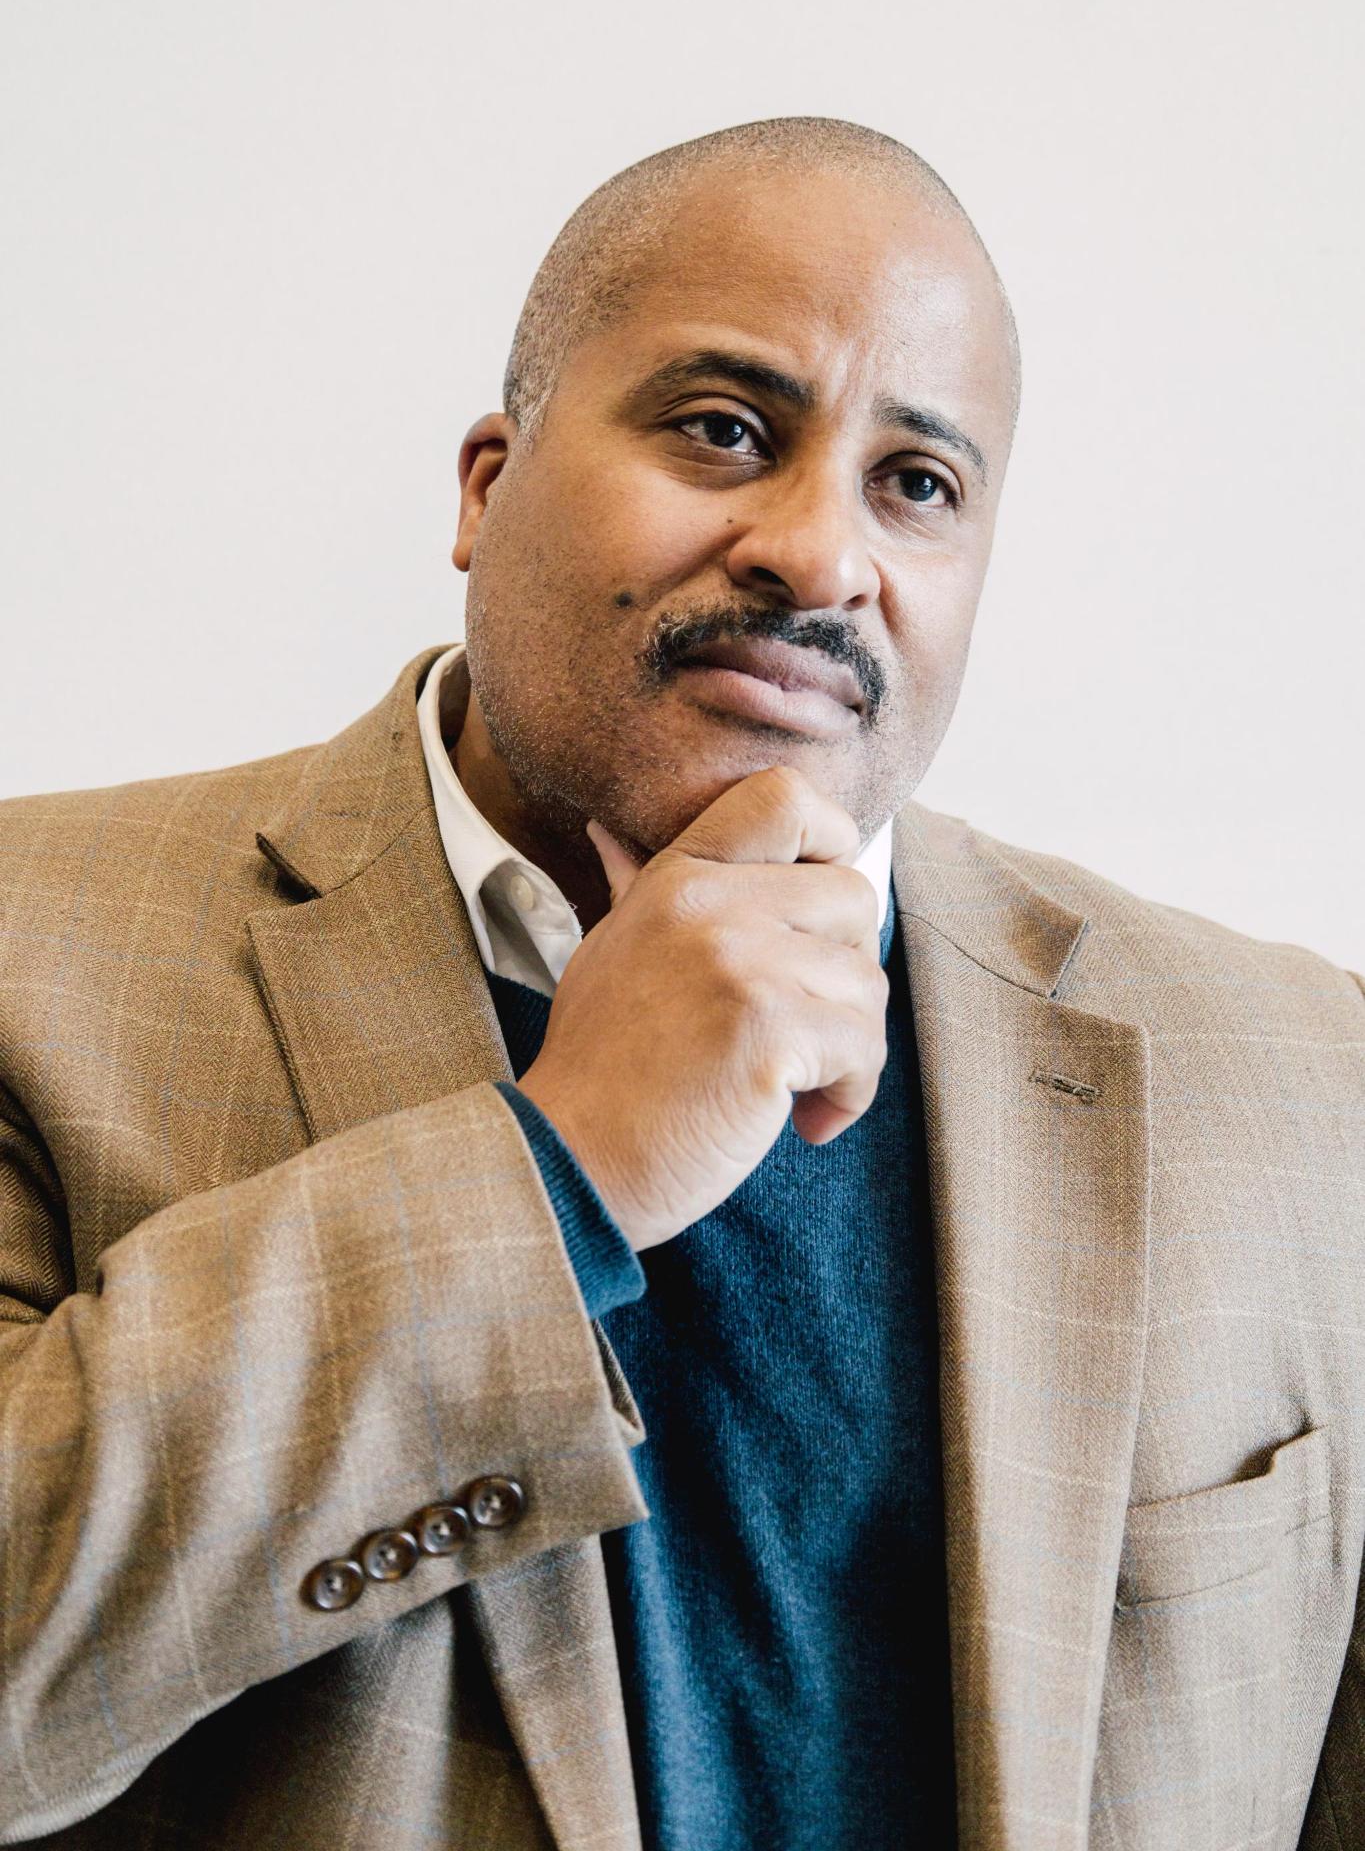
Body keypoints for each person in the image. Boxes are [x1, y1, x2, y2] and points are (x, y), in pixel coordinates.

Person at [0, 116, 1360, 1851]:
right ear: (485, 488)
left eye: (915, 484)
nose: (819, 553)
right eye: (724, 430)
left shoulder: (1307, 1079)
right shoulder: (33, 952)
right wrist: (554, 1173)